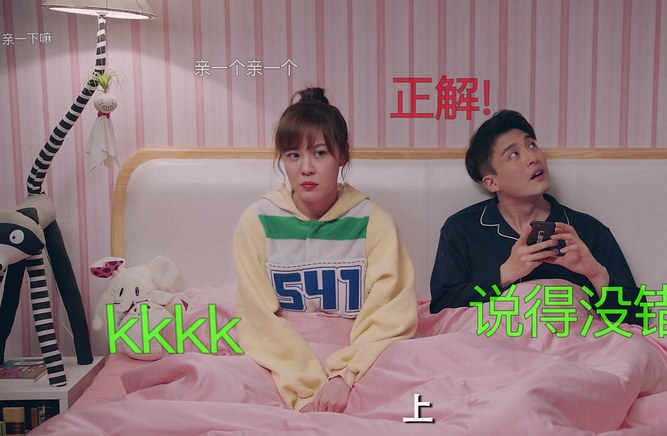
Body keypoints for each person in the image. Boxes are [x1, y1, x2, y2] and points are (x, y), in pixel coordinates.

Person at [233, 87, 418, 413]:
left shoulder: (374, 221)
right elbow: (257, 319)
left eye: (319, 153)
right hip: (280, 358)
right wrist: (307, 389)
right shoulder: (256, 222)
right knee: (219, 385)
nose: (306, 168)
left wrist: (344, 376)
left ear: (342, 155)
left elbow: (390, 313)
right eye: (293, 155)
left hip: (360, 357)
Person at [430, 110, 641, 325]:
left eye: (531, 145)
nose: (533, 158)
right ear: (492, 183)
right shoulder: (462, 229)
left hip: (571, 341)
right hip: (493, 342)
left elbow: (637, 320)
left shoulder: (588, 231)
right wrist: (504, 274)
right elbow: (441, 310)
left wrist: (596, 274)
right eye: (514, 154)